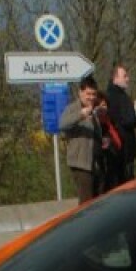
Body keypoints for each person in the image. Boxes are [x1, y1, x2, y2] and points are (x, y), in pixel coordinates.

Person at [59, 75, 101, 203]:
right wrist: (81, 115)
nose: (91, 97)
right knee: (86, 203)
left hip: (94, 164)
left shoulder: (94, 111)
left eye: (94, 94)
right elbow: (62, 124)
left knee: (96, 201)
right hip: (80, 163)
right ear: (80, 92)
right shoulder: (72, 108)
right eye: (88, 94)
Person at [105, 63, 136, 185]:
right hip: (123, 148)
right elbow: (128, 120)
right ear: (115, 78)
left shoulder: (112, 95)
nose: (128, 79)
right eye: (124, 76)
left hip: (119, 148)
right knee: (126, 183)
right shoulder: (118, 97)